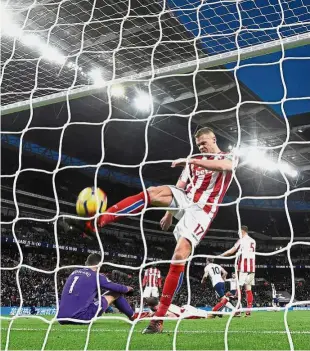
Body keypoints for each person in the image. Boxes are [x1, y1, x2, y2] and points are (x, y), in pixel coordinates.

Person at [85, 127, 237, 333]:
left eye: (204, 143)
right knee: (152, 192)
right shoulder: (194, 161)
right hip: (185, 200)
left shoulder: (227, 156)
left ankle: (158, 318)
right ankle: (100, 220)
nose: (201, 147)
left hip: (203, 210)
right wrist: (168, 212)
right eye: (199, 144)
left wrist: (192, 160)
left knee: (179, 255)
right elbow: (181, 184)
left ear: (214, 138)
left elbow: (225, 166)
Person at [57, 253, 134, 324]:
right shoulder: (96, 276)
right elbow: (117, 288)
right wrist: (128, 288)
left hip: (61, 318)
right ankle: (133, 316)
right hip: (80, 317)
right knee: (116, 293)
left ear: (86, 263)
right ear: (99, 265)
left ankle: (132, 315)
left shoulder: (74, 273)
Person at [221, 226, 256, 317]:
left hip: (243, 267)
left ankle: (237, 310)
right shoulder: (253, 241)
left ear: (242, 231)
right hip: (251, 268)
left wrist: (221, 255)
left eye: (238, 232)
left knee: (239, 289)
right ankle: (248, 311)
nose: (238, 234)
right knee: (248, 289)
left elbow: (231, 251)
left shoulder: (241, 240)